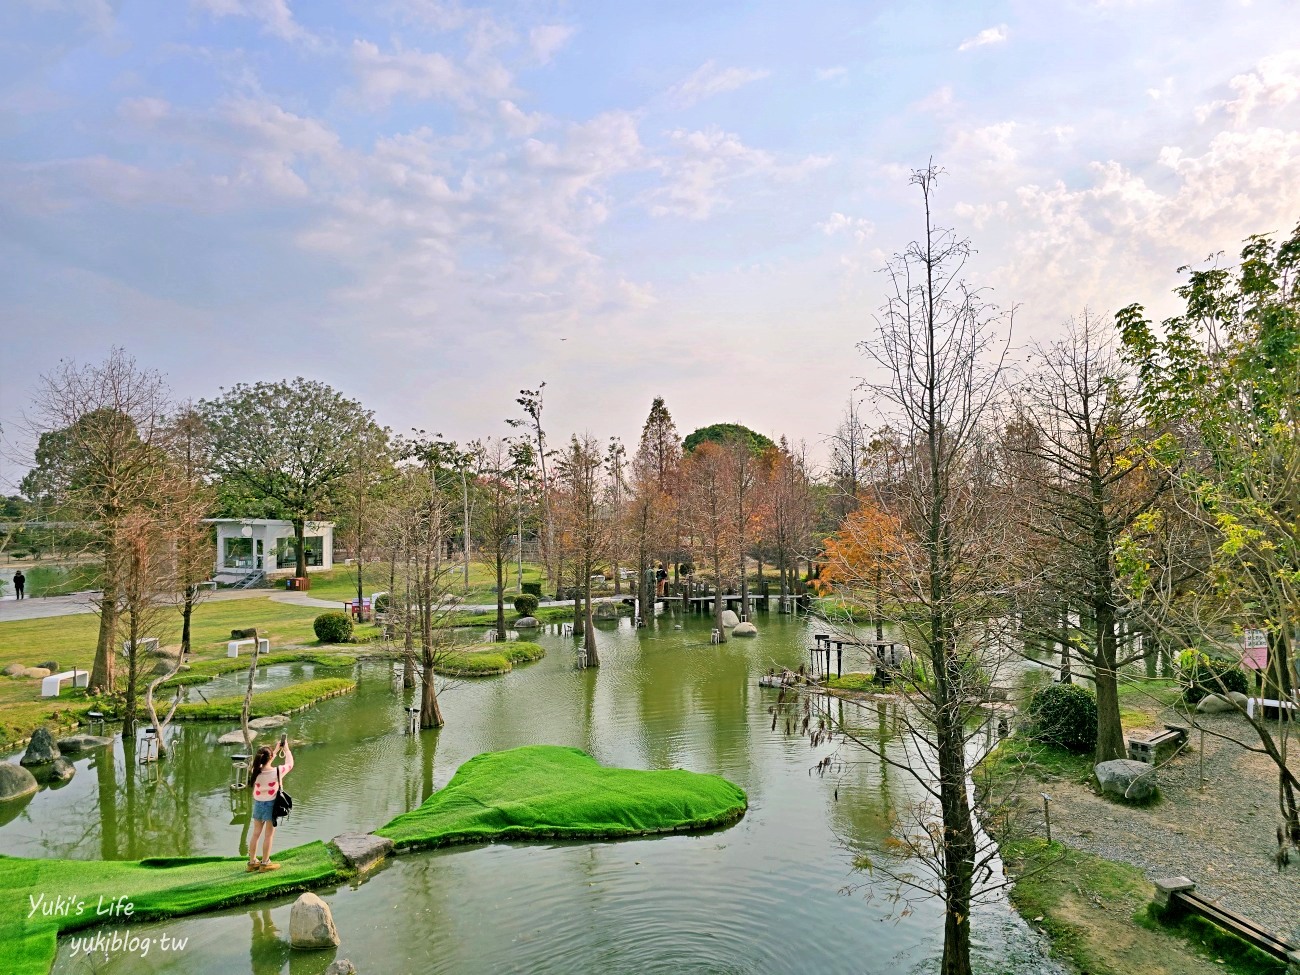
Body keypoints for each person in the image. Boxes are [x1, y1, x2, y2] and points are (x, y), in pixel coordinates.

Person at [246, 736, 293, 871]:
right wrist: (287, 749)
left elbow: (265, 763)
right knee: (268, 835)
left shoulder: (254, 771)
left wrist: (276, 750)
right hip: (271, 805)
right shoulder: (277, 771)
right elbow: (290, 763)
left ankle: (252, 862)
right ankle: (265, 863)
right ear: (270, 757)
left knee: (255, 834)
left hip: (258, 804)